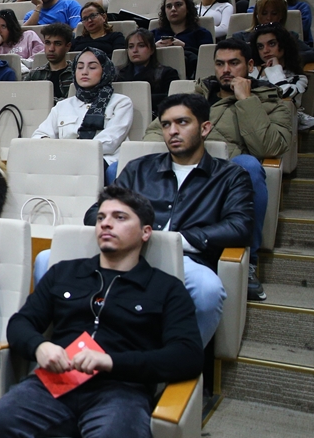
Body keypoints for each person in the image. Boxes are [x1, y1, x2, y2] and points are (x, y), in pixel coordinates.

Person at [0, 187, 203, 438]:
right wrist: (41, 346)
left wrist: (113, 361)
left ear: (146, 231)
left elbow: (187, 355)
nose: (106, 225)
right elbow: (21, 324)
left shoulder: (166, 289)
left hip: (121, 390)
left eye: (119, 218)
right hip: (56, 380)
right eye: (101, 218)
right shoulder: (66, 274)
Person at [89, 93, 253, 347]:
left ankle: (178, 363)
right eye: (166, 124)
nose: (172, 131)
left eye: (182, 123)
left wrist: (177, 240)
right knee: (47, 259)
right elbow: (94, 212)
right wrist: (126, 230)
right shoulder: (139, 168)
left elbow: (239, 226)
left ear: (205, 128)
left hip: (185, 259)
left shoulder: (230, 176)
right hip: (125, 254)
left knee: (208, 288)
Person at [144, 39, 294, 300]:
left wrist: (246, 101)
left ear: (249, 65)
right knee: (116, 171)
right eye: (220, 63)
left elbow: (269, 146)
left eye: (234, 63)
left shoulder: (271, 102)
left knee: (249, 165)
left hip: (225, 179)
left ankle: (248, 261)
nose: (226, 70)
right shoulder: (194, 96)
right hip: (180, 165)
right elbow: (154, 132)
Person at [33, 48, 134, 173]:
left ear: (105, 71)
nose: (84, 72)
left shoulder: (121, 102)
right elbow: (39, 135)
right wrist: (53, 148)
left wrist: (69, 151)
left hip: (102, 161)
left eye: (92, 67)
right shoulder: (62, 105)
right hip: (64, 160)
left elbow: (110, 141)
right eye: (80, 67)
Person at [252, 24, 314, 130]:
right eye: (260, 46)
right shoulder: (251, 71)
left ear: (283, 45)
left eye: (272, 44)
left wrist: (275, 70)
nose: (265, 50)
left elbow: (285, 94)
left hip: (277, 126)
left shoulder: (298, 79)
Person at [117, 28, 180, 115]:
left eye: (141, 45)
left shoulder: (167, 73)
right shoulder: (117, 74)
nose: (135, 50)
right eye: (131, 46)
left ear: (152, 50)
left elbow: (172, 100)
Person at [154, 0, 214, 77]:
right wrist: (153, 49)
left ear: (188, 9)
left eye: (178, 5)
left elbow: (207, 62)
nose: (173, 9)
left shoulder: (202, 34)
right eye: (169, 6)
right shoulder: (154, 34)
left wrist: (184, 47)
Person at [25, 22, 75, 101]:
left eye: (57, 44)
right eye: (47, 43)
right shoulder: (34, 75)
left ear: (68, 46)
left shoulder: (76, 74)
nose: (51, 49)